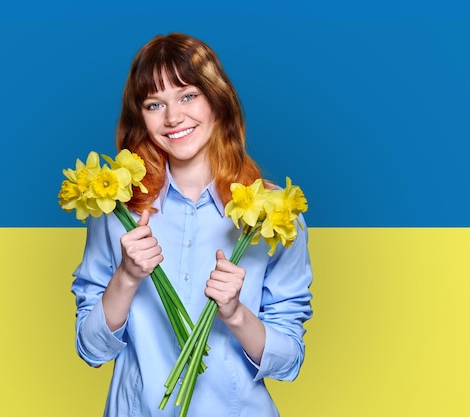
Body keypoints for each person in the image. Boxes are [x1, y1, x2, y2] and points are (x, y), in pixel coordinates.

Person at [71, 33, 313, 417]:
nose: (173, 118)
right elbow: (92, 350)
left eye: (188, 96)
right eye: (155, 104)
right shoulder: (117, 210)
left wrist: (235, 312)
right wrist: (127, 276)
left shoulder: (276, 212)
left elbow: (289, 362)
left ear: (217, 99)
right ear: (141, 116)